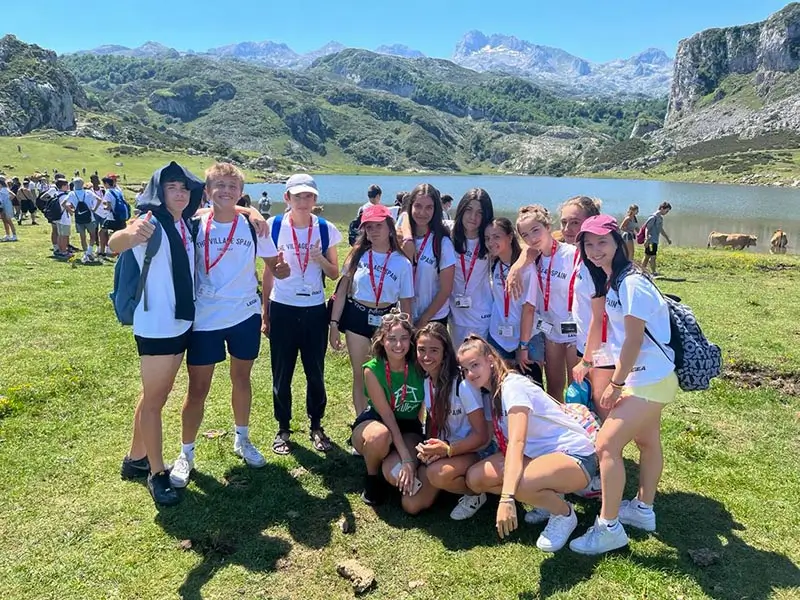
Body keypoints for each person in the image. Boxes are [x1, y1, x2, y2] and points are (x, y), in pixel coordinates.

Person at [169, 163, 285, 490]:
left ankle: (242, 439)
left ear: (240, 192)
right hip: (205, 318)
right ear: (206, 191)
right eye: (218, 185)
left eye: (232, 186)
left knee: (242, 379)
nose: (225, 191)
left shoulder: (253, 227)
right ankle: (186, 454)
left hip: (244, 315)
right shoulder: (193, 224)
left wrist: (285, 269)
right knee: (197, 390)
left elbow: (275, 266)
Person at [569, 215, 677, 555]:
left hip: (650, 379)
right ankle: (643, 510)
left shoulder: (631, 283)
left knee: (605, 446)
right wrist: (590, 360)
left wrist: (615, 384)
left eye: (602, 242)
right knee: (647, 441)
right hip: (646, 378)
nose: (595, 250)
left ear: (618, 242)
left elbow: (632, 341)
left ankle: (609, 527)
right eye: (588, 244)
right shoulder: (613, 278)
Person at [110, 161, 205, 506]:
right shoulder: (150, 221)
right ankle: (156, 472)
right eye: (171, 188)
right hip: (157, 327)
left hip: (180, 323)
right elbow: (116, 241)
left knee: (155, 395)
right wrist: (129, 235)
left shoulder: (183, 225)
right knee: (154, 402)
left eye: (184, 188)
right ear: (159, 192)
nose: (179, 193)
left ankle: (135, 458)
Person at [459, 336, 598, 552]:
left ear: (491, 360)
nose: (470, 374)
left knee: (516, 484)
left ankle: (563, 514)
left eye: (475, 365)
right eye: (465, 369)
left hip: (576, 456)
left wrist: (507, 498)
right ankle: (546, 497)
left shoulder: (512, 387)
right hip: (540, 456)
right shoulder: (492, 391)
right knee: (476, 478)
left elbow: (517, 442)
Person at [263, 174, 342, 455]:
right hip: (283, 308)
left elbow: (335, 273)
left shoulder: (325, 228)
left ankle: (317, 425)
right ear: (287, 198)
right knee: (281, 373)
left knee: (315, 372)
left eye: (308, 196)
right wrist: (265, 312)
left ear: (315, 199)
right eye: (297, 196)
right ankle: (283, 428)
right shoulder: (273, 226)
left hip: (314, 310)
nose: (303, 201)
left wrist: (319, 258)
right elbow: (268, 273)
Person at [329, 204, 414, 418]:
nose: (374, 231)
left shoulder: (402, 262)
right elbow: (341, 292)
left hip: (387, 321)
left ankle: (383, 419)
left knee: (384, 374)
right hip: (357, 317)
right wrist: (334, 324)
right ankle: (362, 421)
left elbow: (406, 302)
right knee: (361, 373)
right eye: (369, 227)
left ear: (390, 228)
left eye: (379, 226)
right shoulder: (357, 256)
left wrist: (407, 335)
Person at [413, 323, 490, 519]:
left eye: (434, 350)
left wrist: (447, 449)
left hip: (474, 451)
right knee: (411, 505)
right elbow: (433, 423)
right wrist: (429, 449)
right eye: (421, 350)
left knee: (437, 474)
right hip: (447, 450)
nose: (426, 356)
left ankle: (477, 493)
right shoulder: (427, 381)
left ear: (446, 352)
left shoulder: (462, 385)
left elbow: (482, 437)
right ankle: (453, 485)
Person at [350, 310, 425, 506]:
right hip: (378, 422)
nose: (398, 345)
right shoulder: (372, 369)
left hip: (408, 428)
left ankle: (387, 469)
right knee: (379, 437)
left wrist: (409, 459)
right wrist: (408, 458)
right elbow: (387, 416)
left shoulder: (419, 366)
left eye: (404, 338)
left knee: (399, 478)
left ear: (411, 340)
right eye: (391, 338)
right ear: (382, 340)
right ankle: (372, 477)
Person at [516, 205, 580, 401]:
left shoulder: (571, 254)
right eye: (525, 235)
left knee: (577, 390)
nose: (532, 238)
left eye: (536, 230)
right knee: (554, 389)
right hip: (550, 331)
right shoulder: (532, 259)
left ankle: (583, 427)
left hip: (575, 333)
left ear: (548, 226)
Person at [486, 218, 544, 386]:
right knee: (499, 388)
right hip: (498, 337)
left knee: (531, 390)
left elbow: (529, 309)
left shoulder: (526, 269)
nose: (491, 242)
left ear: (510, 237)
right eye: (487, 238)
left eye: (496, 237)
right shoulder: (494, 263)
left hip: (527, 338)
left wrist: (523, 346)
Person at [398, 183, 456, 329]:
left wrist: (423, 320)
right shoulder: (400, 237)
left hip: (433, 318)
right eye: (418, 206)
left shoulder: (443, 243)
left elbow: (445, 289)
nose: (422, 212)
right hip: (404, 314)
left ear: (436, 209)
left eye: (429, 207)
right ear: (411, 206)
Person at [449, 188, 494, 346]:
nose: (473, 217)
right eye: (469, 210)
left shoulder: (490, 239)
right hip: (455, 315)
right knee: (458, 361)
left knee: (478, 363)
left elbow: (516, 248)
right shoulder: (449, 232)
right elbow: (406, 215)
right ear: (461, 209)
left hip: (481, 315)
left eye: (480, 213)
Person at [67, 178, 101, 263]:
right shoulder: (88, 192)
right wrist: (94, 209)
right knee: (93, 235)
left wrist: (71, 211)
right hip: (90, 217)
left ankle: (86, 253)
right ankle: (89, 252)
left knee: (83, 237)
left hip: (78, 218)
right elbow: (99, 200)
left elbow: (64, 203)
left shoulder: (71, 193)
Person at [641, 202, 672, 277]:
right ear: (662, 208)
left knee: (648, 256)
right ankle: (653, 272)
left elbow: (660, 229)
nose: (667, 213)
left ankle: (642, 270)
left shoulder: (660, 218)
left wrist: (667, 238)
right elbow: (647, 229)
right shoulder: (653, 217)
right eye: (666, 211)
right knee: (652, 256)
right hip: (650, 240)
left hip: (655, 240)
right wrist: (646, 239)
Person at [0, 177, 18, 242]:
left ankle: (14, 235)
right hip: (1, 206)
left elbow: (13, 195)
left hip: (6, 206)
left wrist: (7, 201)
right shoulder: (1, 189)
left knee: (9, 221)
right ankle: (7, 235)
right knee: (4, 221)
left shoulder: (5, 189)